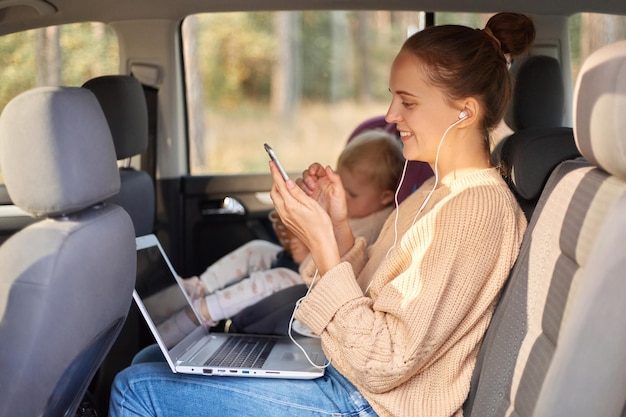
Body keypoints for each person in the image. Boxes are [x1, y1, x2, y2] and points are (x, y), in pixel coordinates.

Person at [109, 12, 532, 417]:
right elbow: (374, 296)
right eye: (392, 99)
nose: (390, 116)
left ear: (466, 111)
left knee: (135, 388)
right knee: (153, 358)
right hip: (346, 372)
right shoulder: (435, 190)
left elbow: (383, 362)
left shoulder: (475, 211)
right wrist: (339, 226)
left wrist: (322, 243)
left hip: (370, 404)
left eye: (408, 102)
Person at [153, 128, 405, 347]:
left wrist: (304, 252)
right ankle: (198, 286)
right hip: (303, 263)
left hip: (315, 283)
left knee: (269, 280)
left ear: (384, 197)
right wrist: (293, 235)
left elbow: (342, 268)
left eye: (351, 193)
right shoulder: (348, 206)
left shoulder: (377, 224)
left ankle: (202, 312)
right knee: (258, 248)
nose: (340, 194)